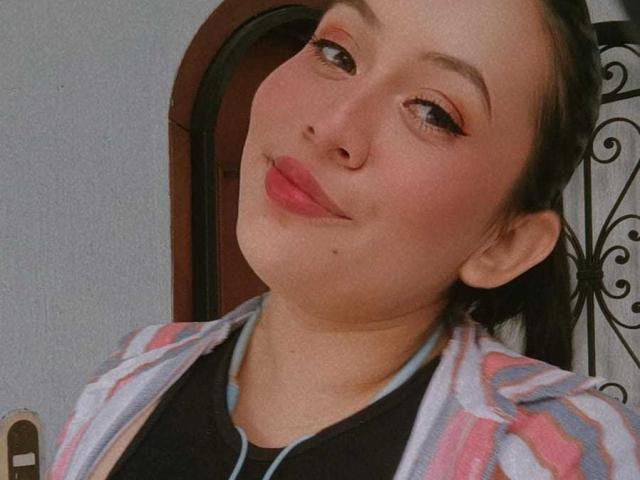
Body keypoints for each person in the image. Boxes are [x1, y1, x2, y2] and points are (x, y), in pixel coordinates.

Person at [48, 0, 640, 478]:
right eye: (336, 52)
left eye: (431, 111)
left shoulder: (565, 454)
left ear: (504, 245)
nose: (332, 124)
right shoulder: (132, 375)